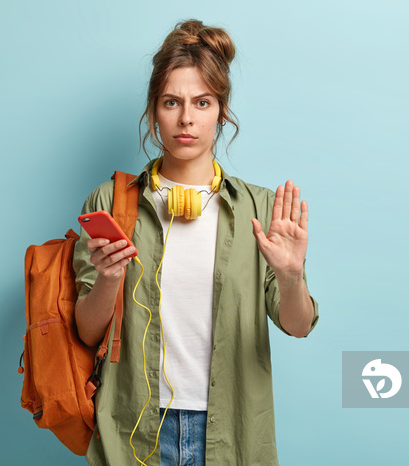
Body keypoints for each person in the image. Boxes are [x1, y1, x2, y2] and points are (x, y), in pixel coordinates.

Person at [72, 19, 319, 466]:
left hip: (232, 428)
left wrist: (291, 277)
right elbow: (88, 331)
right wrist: (108, 279)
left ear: (221, 112)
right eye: (172, 102)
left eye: (202, 102)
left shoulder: (260, 209)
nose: (186, 118)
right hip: (133, 426)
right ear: (153, 113)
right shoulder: (111, 202)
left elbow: (299, 325)